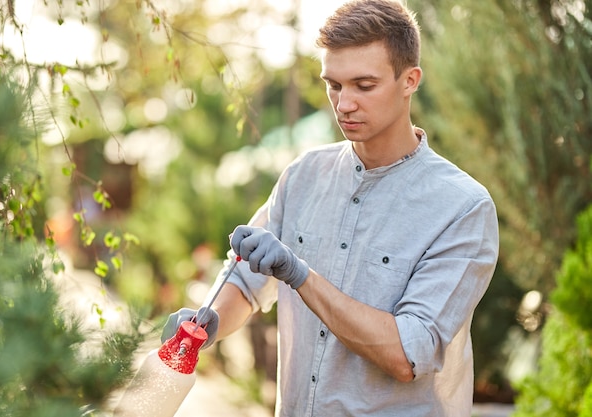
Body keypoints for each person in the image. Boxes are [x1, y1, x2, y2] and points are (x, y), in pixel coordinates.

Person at [162, 0, 499, 415]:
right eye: (333, 85)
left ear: (410, 80)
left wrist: (300, 275)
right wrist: (209, 322)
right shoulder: (303, 176)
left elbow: (407, 355)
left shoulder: (462, 207)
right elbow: (248, 285)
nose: (343, 104)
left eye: (364, 85)